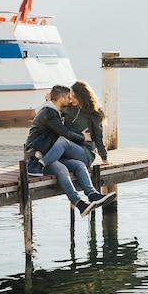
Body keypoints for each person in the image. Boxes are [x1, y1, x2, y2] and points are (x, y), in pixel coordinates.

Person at [23, 85, 112, 217]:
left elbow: (98, 138)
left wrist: (104, 157)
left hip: (74, 151)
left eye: (74, 97)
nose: (71, 99)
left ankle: (92, 194)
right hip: (48, 152)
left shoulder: (93, 115)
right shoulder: (61, 111)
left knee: (78, 163)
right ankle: (81, 204)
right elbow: (55, 112)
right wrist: (49, 99)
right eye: (69, 97)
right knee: (65, 168)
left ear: (82, 97)